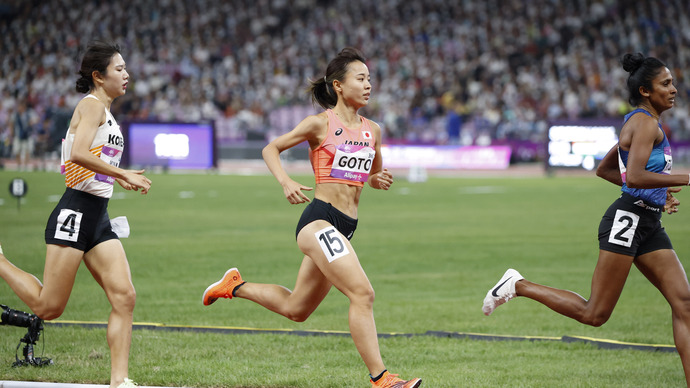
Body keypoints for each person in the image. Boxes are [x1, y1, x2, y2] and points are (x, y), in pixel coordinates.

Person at [203, 47, 422, 388]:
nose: (368, 85)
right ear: (338, 85)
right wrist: (285, 181)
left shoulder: (373, 130)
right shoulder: (320, 124)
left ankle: (235, 286)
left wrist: (376, 179)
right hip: (318, 221)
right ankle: (383, 380)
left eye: (370, 79)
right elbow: (270, 148)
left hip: (345, 227)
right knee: (363, 294)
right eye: (360, 79)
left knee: (297, 309)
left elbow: (373, 172)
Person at [482, 53, 690, 386]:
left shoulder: (641, 122)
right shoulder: (645, 123)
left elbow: (607, 170)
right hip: (629, 220)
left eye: (672, 82)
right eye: (666, 83)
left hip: (647, 221)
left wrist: (659, 194)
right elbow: (634, 177)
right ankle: (517, 285)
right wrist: (684, 178)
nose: (674, 89)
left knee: (685, 304)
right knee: (595, 314)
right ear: (645, 90)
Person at [0, 40, 152, 388]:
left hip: (98, 216)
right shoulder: (92, 105)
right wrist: (123, 173)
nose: (127, 74)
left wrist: (116, 179)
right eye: (119, 69)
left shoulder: (105, 111)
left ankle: (119, 380)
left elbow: (89, 161)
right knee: (48, 307)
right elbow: (78, 155)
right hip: (75, 211)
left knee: (124, 296)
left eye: (126, 68)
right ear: (98, 76)